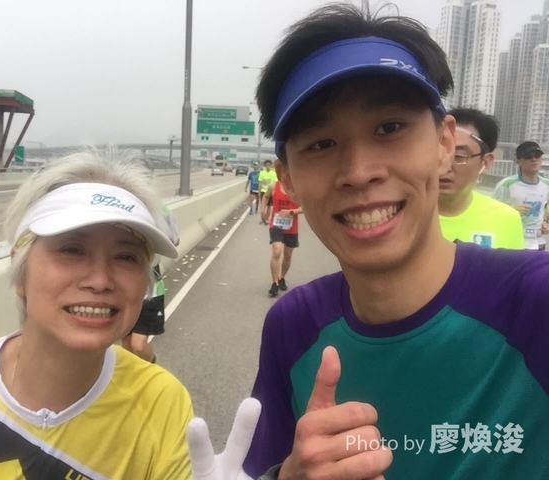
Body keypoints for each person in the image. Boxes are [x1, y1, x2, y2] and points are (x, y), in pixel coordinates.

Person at [185, 4, 549, 479]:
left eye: (389, 128)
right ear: (287, 178)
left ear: (444, 145)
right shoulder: (293, 326)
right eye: (321, 143)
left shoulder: (536, 304)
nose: (359, 172)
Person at [0, 151, 194, 479]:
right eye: (72, 250)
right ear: (20, 271)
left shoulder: (162, 402)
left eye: (126, 256)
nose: (100, 280)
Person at [438, 108, 524, 249]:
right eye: (440, 153)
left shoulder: (505, 219)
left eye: (459, 156)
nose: (445, 165)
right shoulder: (404, 214)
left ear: (485, 162)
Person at [122, 207, 180, 363]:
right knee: (126, 345)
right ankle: (134, 375)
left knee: (138, 346)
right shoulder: (122, 206)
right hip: (127, 290)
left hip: (152, 291)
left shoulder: (164, 210)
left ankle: (153, 366)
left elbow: (175, 241)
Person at [494, 141, 549, 250]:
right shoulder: (506, 185)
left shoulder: (546, 185)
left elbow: (546, 209)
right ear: (518, 162)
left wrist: (546, 223)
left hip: (538, 243)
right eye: (528, 157)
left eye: (537, 156)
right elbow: (491, 212)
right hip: (513, 242)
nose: (534, 159)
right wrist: (511, 211)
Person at [261, 178, 303, 296]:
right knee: (277, 252)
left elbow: (305, 208)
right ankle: (275, 283)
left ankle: (281, 278)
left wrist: (291, 212)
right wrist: (262, 211)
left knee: (287, 255)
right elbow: (265, 196)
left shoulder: (298, 188)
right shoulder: (274, 186)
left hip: (291, 226)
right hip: (276, 225)